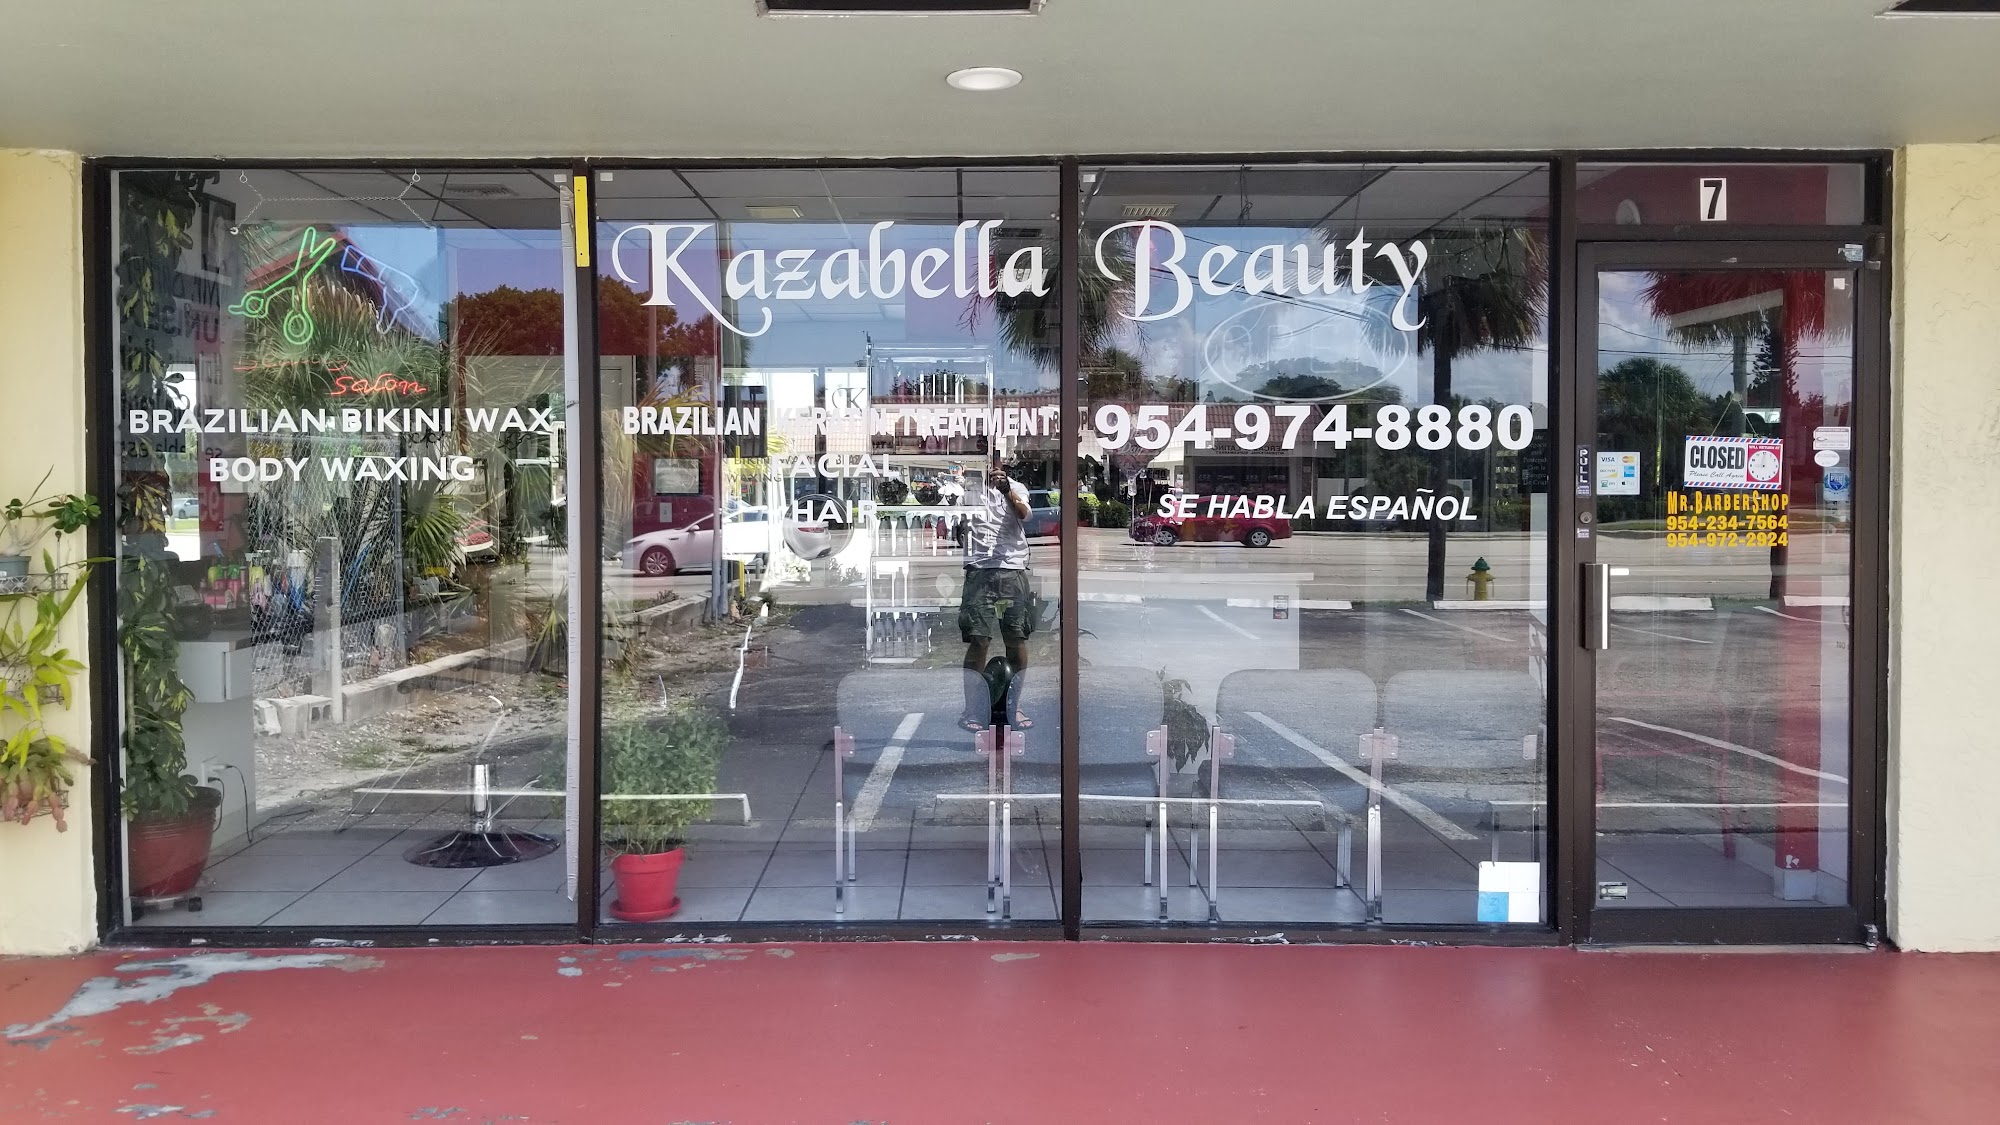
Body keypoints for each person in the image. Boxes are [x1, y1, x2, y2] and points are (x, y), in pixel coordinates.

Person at [958, 460, 1034, 732]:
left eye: (998, 467)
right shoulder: (969, 491)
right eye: (988, 465)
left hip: (1011, 571)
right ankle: (973, 708)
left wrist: (1006, 491)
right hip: (979, 571)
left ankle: (1014, 704)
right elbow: (958, 522)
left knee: (1015, 639)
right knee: (979, 639)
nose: (993, 471)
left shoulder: (1016, 488)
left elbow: (1024, 514)